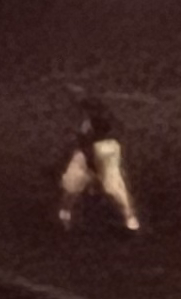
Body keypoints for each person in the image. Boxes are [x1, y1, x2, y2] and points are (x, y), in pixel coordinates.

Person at [55, 94, 140, 237]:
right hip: (98, 151)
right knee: (77, 182)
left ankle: (130, 218)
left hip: (103, 151)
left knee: (112, 186)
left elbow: (88, 141)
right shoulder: (96, 122)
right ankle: (65, 213)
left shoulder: (99, 125)